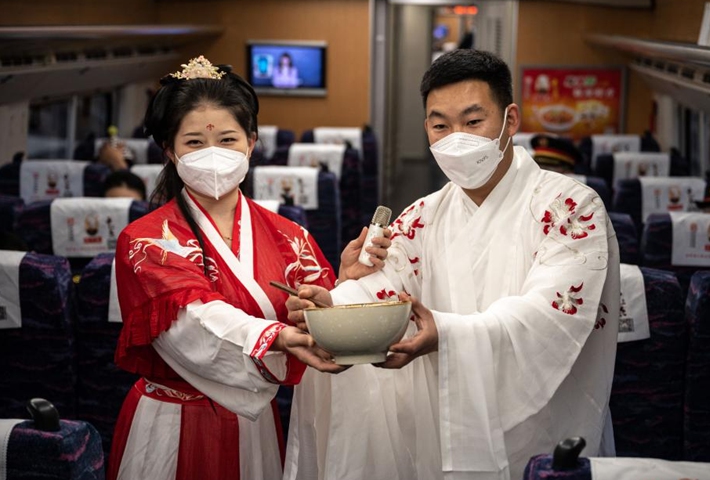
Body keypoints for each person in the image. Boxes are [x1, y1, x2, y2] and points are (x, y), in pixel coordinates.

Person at [284, 49, 620, 480]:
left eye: (473, 122)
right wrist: (333, 303)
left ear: (509, 121)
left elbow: (547, 317)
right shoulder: (421, 215)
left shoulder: (571, 208)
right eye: (440, 125)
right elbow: (384, 288)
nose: (455, 137)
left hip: (542, 423)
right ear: (426, 128)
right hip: (439, 423)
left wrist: (449, 333)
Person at [107, 55, 389, 480]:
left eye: (227, 140)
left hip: (254, 424)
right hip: (168, 421)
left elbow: (323, 321)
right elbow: (192, 324)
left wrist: (344, 284)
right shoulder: (145, 240)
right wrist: (275, 335)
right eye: (194, 143)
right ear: (169, 150)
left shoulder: (289, 236)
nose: (213, 155)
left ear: (251, 143)